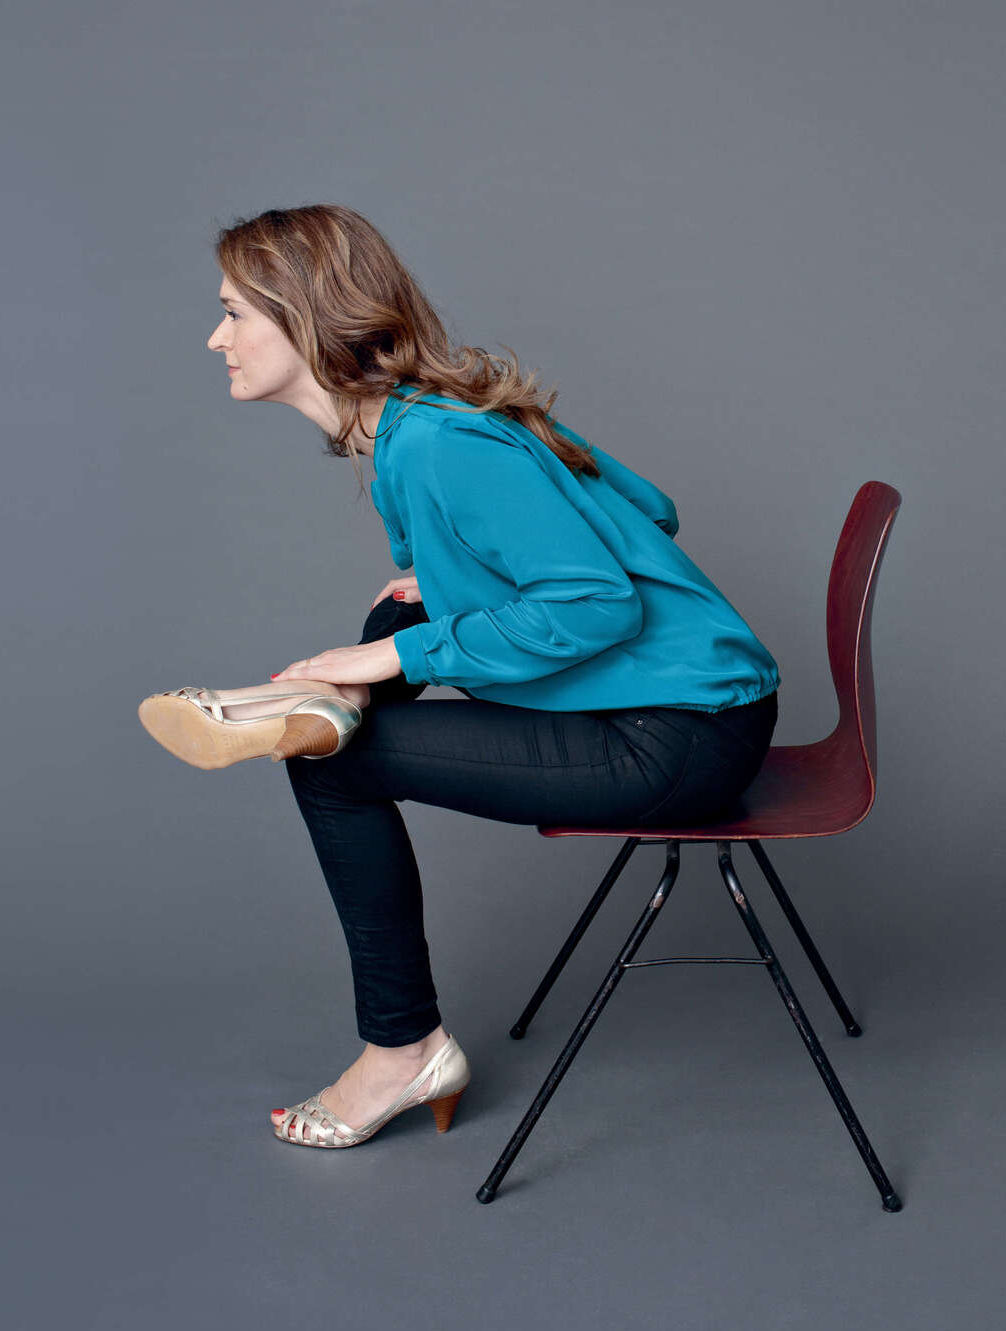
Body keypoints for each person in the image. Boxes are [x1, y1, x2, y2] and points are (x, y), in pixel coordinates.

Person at [142, 204, 781, 1150]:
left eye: (234, 312)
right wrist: (450, 583)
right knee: (407, 608)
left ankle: (402, 1048)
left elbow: (599, 604)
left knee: (337, 760)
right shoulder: (422, 424)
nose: (216, 337)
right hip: (701, 711)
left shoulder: (439, 443)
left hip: (676, 735)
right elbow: (652, 509)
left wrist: (394, 655)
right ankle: (323, 700)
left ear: (304, 316)